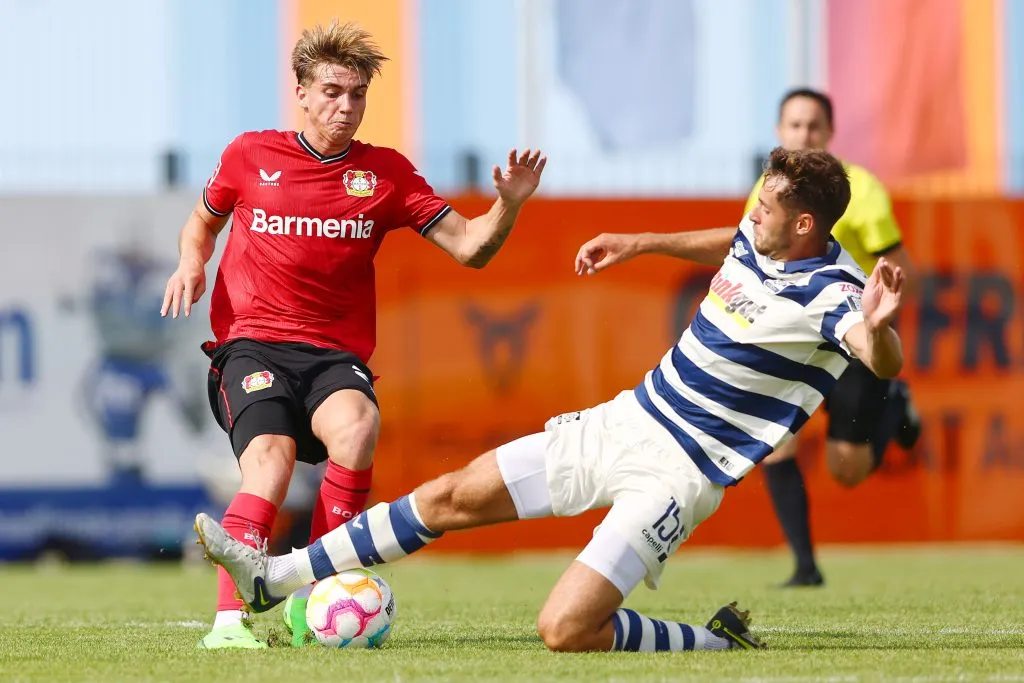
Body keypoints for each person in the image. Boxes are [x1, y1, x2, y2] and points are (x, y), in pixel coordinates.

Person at [194, 147, 906, 653]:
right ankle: (271, 577)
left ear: (805, 226)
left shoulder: (833, 294)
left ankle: (711, 642)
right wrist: (642, 241)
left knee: (565, 630)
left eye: (767, 206)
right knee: (448, 495)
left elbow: (875, 354)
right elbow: (732, 244)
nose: (752, 214)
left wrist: (879, 331)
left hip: (677, 475)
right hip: (627, 418)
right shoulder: (762, 238)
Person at [161, 20, 547, 649]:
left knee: (358, 427)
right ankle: (229, 622)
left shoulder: (385, 174)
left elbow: (472, 248)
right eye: (334, 92)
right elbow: (201, 223)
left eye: (358, 95)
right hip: (252, 343)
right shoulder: (248, 155)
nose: (346, 107)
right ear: (303, 93)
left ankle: (315, 596)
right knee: (272, 461)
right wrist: (190, 261)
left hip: (333, 355)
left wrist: (510, 203)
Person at [747, 88, 921, 587]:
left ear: (830, 133)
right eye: (795, 125)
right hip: (790, 338)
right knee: (773, 443)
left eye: (813, 126)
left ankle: (896, 406)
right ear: (781, 131)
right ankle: (805, 567)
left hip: (847, 338)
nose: (804, 134)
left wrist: (880, 320)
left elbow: (901, 266)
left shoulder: (861, 190)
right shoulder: (765, 190)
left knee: (847, 469)